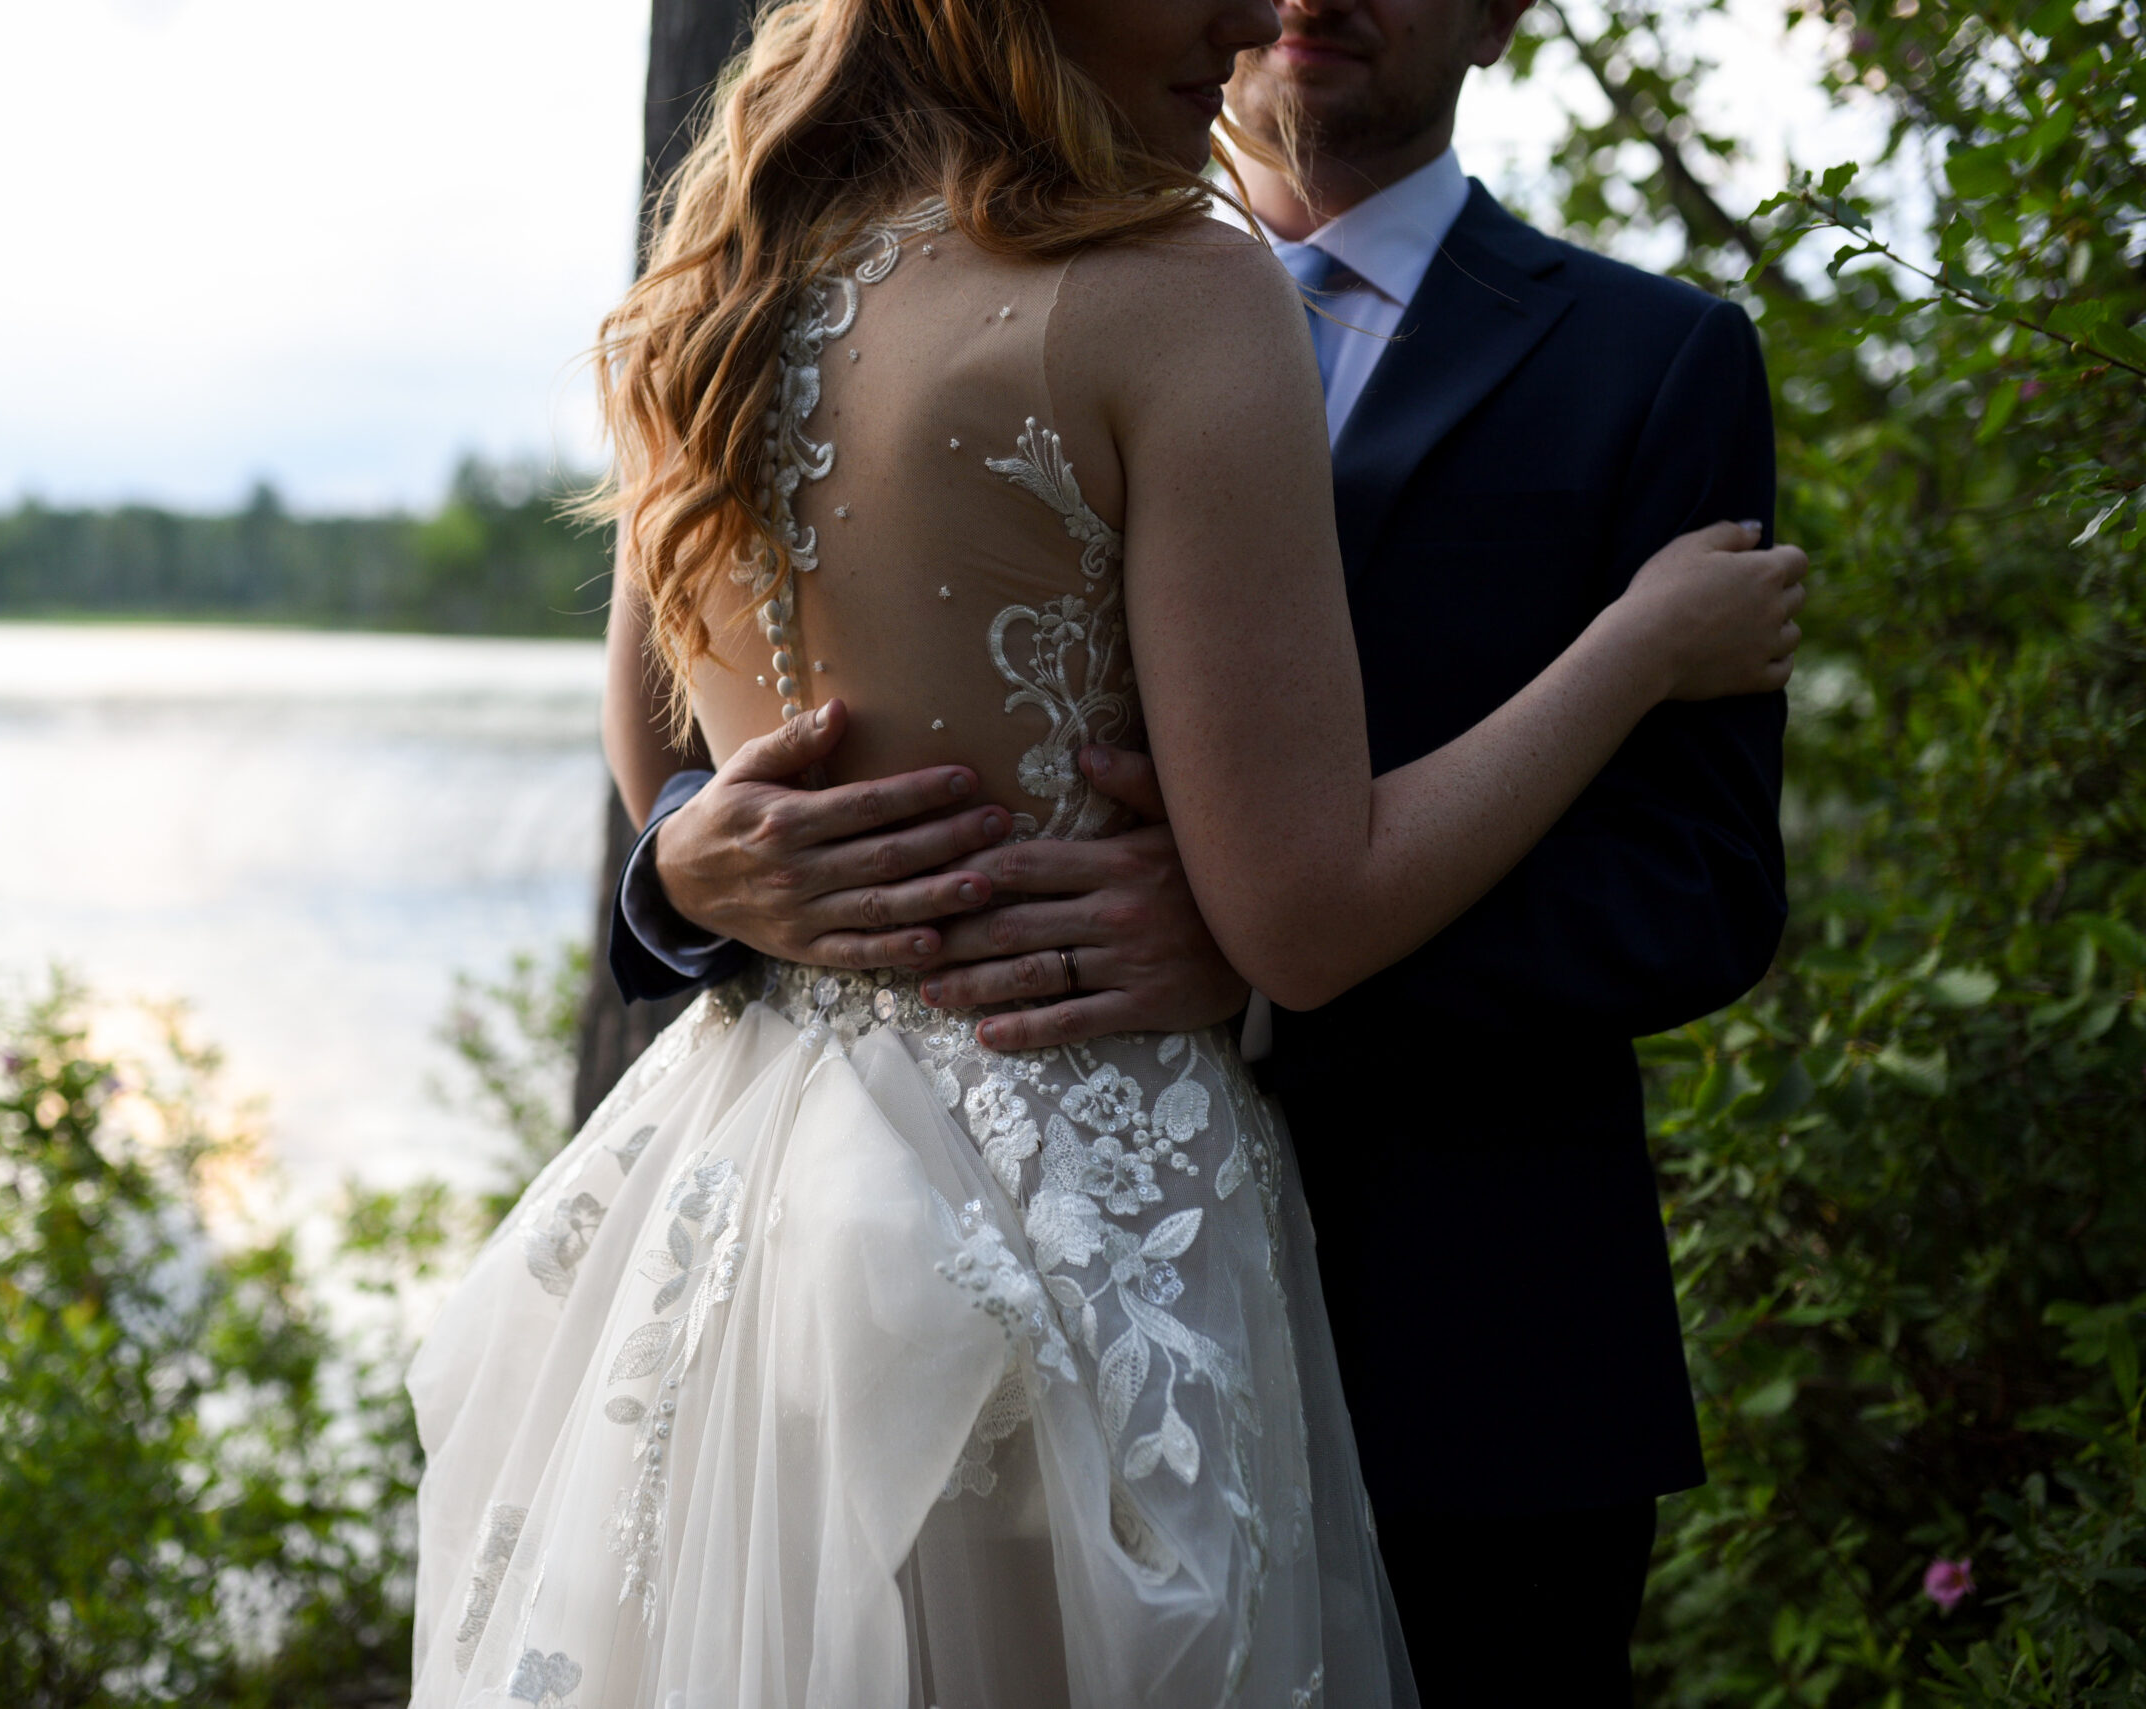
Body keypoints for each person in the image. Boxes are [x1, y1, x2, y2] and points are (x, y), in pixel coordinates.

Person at [418, 0, 1804, 1704]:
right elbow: (697, 810)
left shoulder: (719, 287)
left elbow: (1707, 883)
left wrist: (1247, 951)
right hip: (1076, 1263)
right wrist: (692, 874)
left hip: (1457, 1344)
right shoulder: (1179, 287)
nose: (1268, 5)